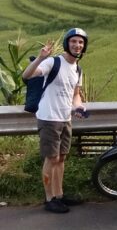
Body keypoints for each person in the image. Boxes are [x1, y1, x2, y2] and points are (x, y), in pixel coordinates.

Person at [20, 28, 88, 214]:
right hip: (49, 118)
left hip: (65, 118)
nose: (77, 45)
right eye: (74, 41)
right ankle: (49, 199)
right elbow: (27, 76)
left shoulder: (77, 69)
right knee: (52, 159)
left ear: (84, 46)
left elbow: (75, 95)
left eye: (81, 42)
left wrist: (79, 107)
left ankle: (59, 195)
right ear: (67, 43)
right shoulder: (53, 62)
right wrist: (41, 58)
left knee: (62, 158)